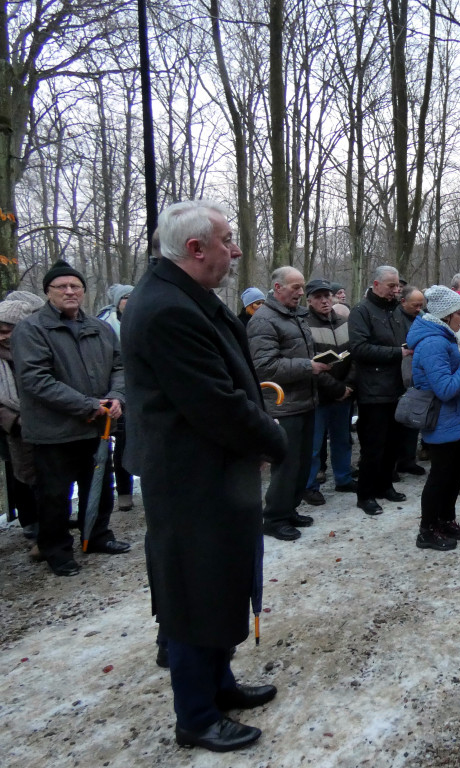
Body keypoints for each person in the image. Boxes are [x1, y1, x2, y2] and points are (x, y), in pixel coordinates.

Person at [121, 200, 287, 753]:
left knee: (221, 585)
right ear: (195, 249)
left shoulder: (188, 297)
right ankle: (195, 714)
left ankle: (219, 684)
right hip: (191, 479)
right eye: (227, 241)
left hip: (217, 473)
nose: (235, 252)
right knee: (195, 592)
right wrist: (273, 439)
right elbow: (215, 403)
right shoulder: (168, 308)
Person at [12, 260, 130, 577]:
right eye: (61, 286)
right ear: (48, 292)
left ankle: (98, 536)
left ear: (83, 291)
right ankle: (57, 551)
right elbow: (37, 381)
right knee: (54, 497)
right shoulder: (32, 330)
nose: (69, 291)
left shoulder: (100, 328)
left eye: (75, 286)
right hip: (53, 433)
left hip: (96, 428)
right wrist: (89, 404)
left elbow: (120, 368)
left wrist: (117, 398)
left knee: (100, 487)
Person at [248, 267, 329, 540]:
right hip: (283, 405)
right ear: (277, 287)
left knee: (302, 462)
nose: (300, 292)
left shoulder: (295, 316)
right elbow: (264, 366)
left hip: (305, 400)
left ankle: (290, 509)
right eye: (294, 287)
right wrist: (308, 367)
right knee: (287, 465)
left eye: (301, 286)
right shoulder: (263, 321)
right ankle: (274, 518)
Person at [406, 285, 460, 550]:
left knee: (458, 470)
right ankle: (427, 530)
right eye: (459, 313)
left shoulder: (444, 337)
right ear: (446, 315)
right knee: (440, 476)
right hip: (441, 420)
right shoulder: (433, 343)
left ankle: (446, 520)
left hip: (454, 419)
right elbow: (446, 388)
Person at [348, 265, 411, 515]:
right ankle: (365, 495)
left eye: (398, 286)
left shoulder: (395, 310)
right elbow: (359, 348)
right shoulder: (361, 311)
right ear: (376, 285)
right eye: (391, 286)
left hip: (396, 387)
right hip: (373, 391)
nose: (396, 290)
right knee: (373, 446)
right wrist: (398, 353)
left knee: (393, 444)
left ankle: (385, 485)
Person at [303, 279, 356, 504]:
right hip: (318, 394)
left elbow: (355, 355)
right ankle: (310, 485)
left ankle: (344, 478)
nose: (324, 301)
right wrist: (335, 388)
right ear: (309, 301)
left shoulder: (344, 322)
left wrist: (348, 385)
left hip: (344, 393)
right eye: (318, 297)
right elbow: (308, 363)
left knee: (342, 439)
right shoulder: (303, 324)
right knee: (314, 445)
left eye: (327, 296)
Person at [0, 299, 40, 540]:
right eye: (0, 331)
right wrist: (14, 421)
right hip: (11, 428)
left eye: (9, 330)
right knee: (21, 474)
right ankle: (31, 523)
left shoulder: (35, 349)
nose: (4, 336)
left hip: (44, 422)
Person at [97, 283, 136, 511]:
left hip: (142, 388)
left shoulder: (145, 317)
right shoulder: (105, 324)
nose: (130, 301)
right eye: (125, 298)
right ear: (117, 302)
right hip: (118, 392)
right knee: (121, 440)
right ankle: (124, 491)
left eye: (133, 296)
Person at [395, 285, 427, 477]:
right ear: (403, 302)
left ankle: (408, 460)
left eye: (420, 305)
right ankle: (396, 462)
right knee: (399, 422)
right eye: (415, 305)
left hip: (416, 373)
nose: (418, 309)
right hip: (399, 373)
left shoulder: (421, 316)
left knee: (413, 420)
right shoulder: (395, 318)